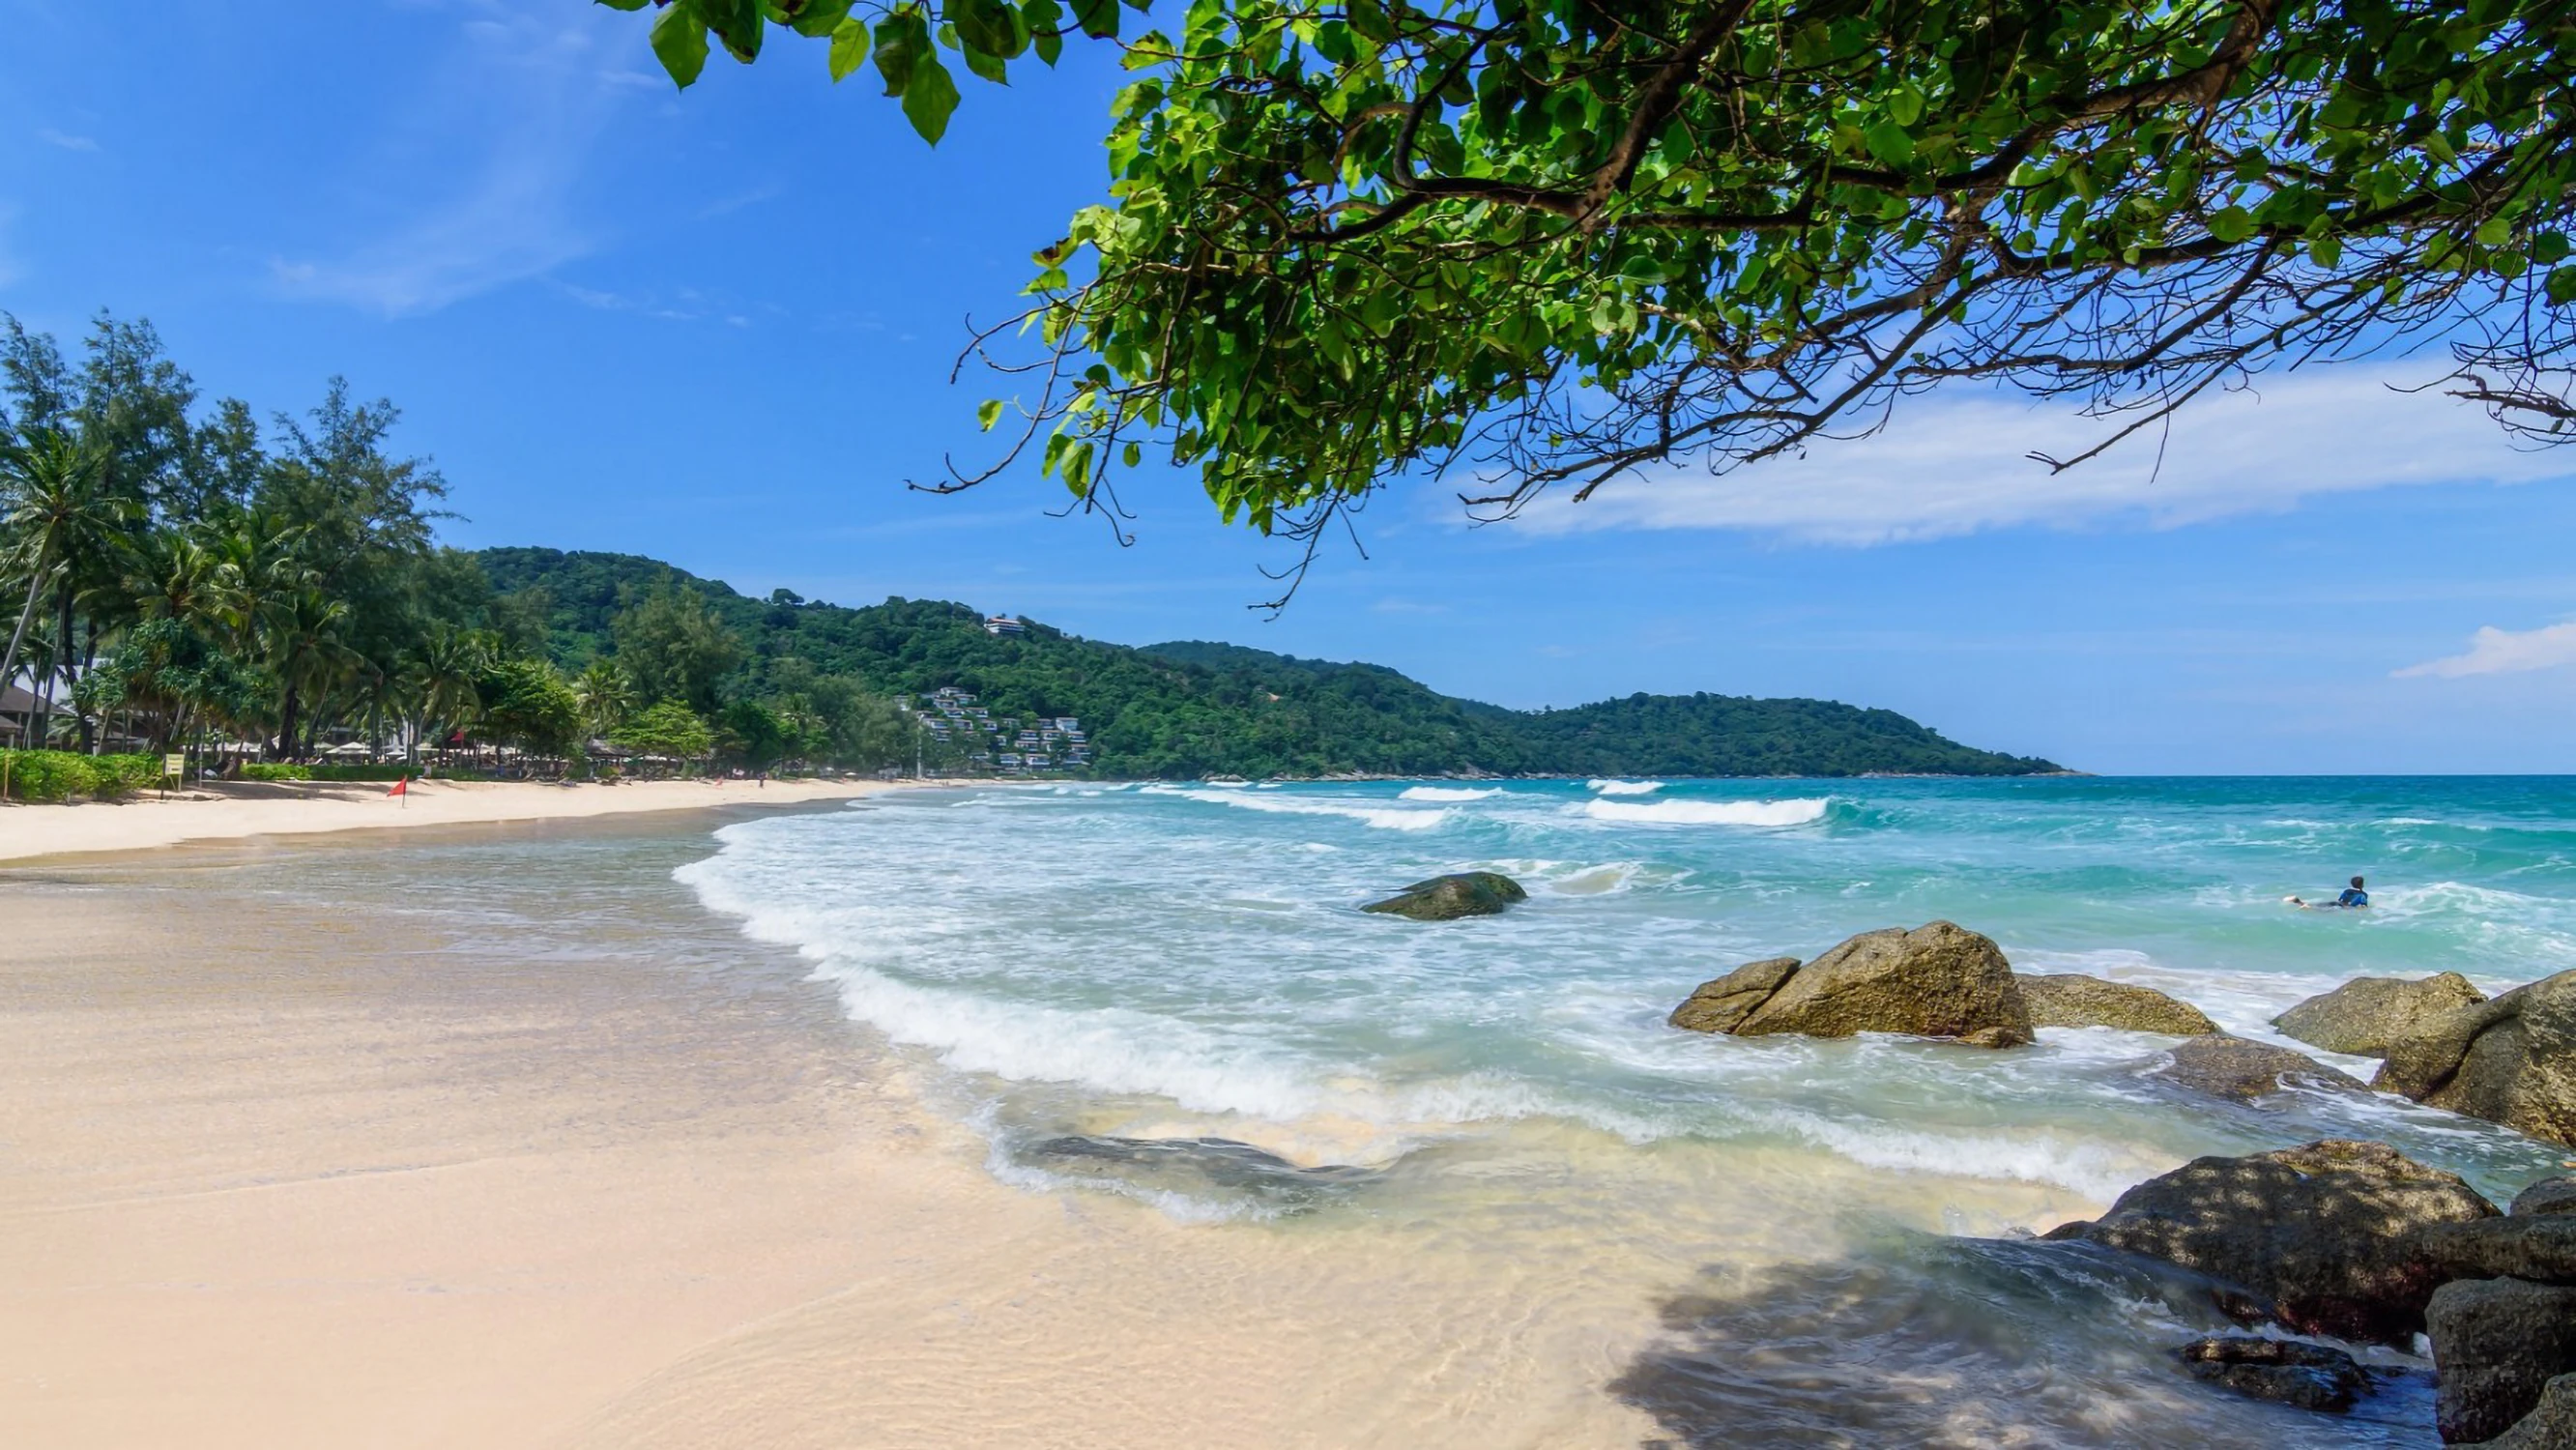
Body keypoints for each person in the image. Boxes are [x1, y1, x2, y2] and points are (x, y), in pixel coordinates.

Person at [2290, 876, 2369, 910]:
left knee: (2316, 906)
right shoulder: (2363, 895)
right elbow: (2363, 907)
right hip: (2342, 907)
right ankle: (2302, 904)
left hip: (2336, 903)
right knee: (2317, 910)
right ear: (2362, 885)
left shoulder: (2347, 891)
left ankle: (2298, 901)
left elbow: (2340, 899)